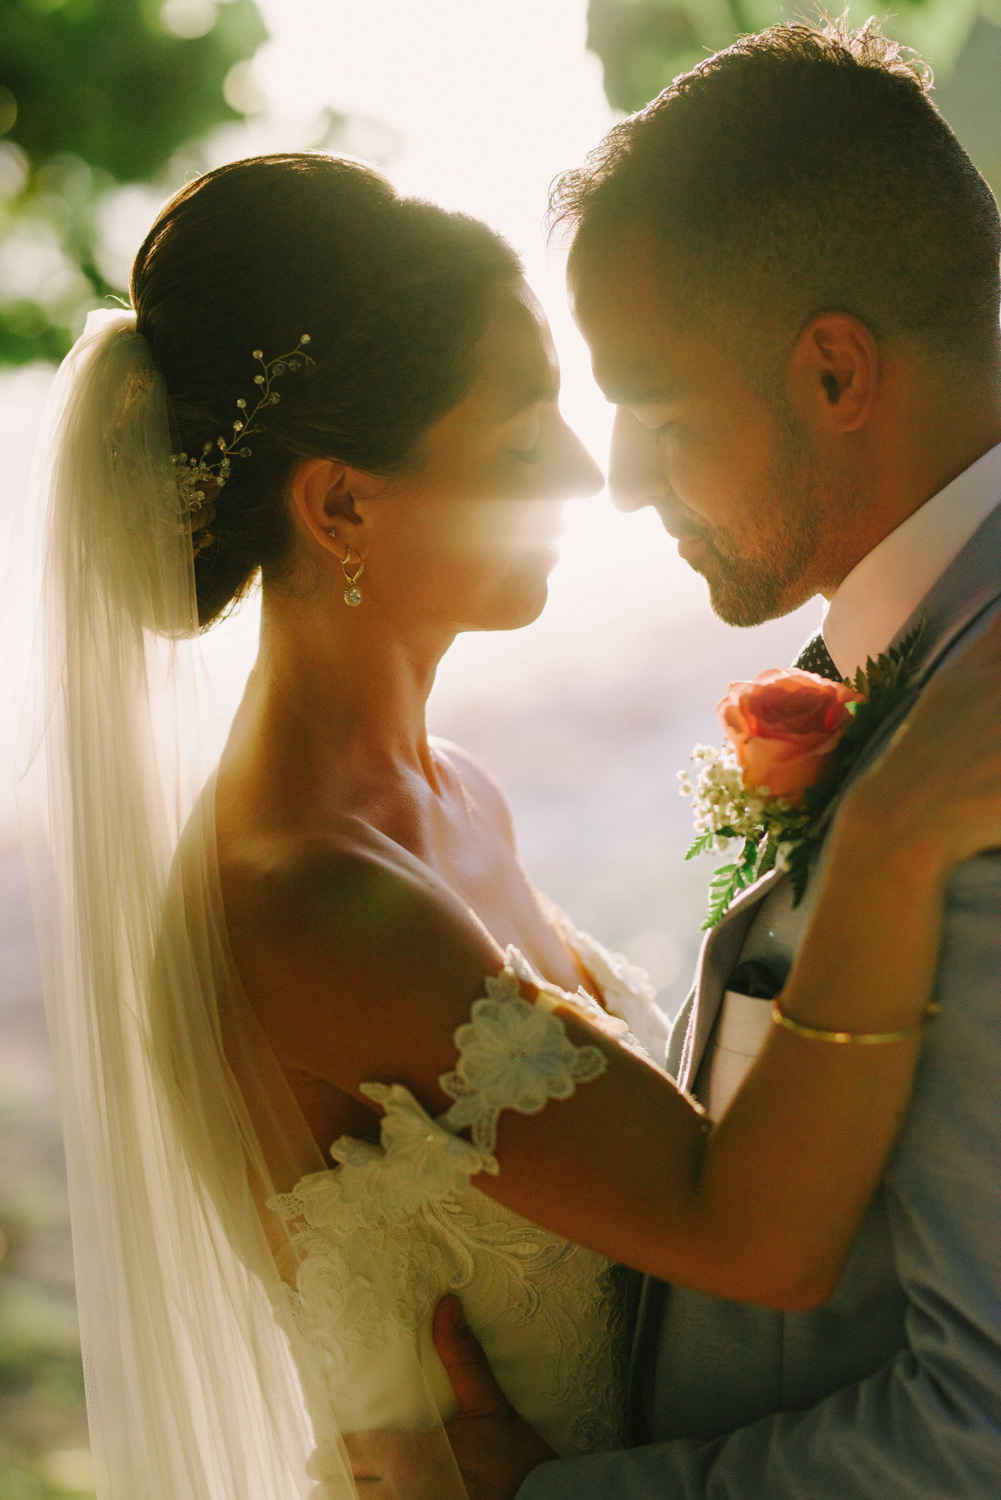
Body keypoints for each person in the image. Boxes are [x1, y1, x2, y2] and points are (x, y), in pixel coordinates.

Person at [17, 128, 1001, 1500]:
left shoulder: (448, 790)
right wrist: (891, 836)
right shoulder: (310, 895)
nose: (577, 474)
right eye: (518, 424)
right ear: (342, 503)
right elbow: (753, 1237)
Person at [426, 18, 1001, 1500]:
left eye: (653, 405)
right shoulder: (903, 661)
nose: (616, 481)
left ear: (831, 374)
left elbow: (978, 1427)